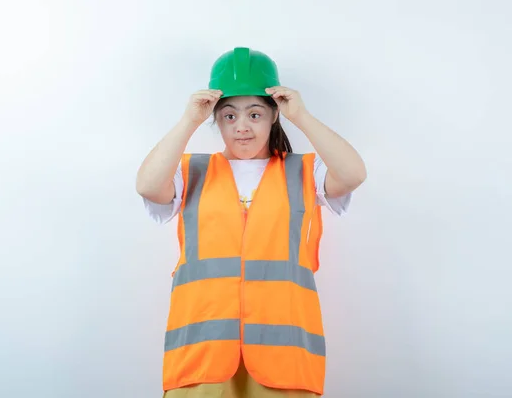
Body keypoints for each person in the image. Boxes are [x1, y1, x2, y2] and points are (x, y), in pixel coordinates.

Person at [136, 47, 366, 398]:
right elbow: (148, 186)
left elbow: (353, 173)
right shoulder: (189, 170)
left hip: (284, 361)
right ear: (216, 119)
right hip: (203, 357)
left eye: (255, 114)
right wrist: (188, 122)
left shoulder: (304, 172)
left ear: (275, 115)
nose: (242, 127)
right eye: (229, 116)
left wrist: (301, 116)